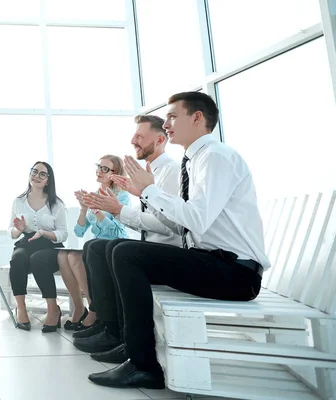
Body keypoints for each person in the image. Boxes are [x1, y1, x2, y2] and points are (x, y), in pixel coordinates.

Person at [87, 92, 270, 390]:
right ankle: (132, 350)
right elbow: (178, 222)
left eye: (173, 116)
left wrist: (150, 192)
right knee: (121, 250)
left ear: (197, 118)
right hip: (214, 262)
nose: (167, 123)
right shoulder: (195, 160)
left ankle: (142, 364)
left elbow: (196, 219)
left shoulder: (216, 157)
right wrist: (143, 193)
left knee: (125, 253)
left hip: (237, 273)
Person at [72, 115, 181, 361]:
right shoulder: (148, 174)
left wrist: (117, 210)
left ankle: (119, 334)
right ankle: (109, 325)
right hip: (150, 246)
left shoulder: (171, 172)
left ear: (161, 139)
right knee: (95, 246)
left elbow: (171, 226)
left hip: (166, 251)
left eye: (140, 136)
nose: (133, 141)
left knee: (112, 249)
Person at [57, 155, 131, 332]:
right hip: (94, 246)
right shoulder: (94, 195)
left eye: (105, 169)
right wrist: (84, 209)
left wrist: (96, 209)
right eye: (99, 167)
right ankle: (85, 306)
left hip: (113, 246)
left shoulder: (122, 197)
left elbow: (116, 232)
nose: (99, 171)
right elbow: (79, 232)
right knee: (63, 255)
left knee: (75, 257)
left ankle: (94, 310)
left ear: (115, 173)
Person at [8, 161, 68, 333]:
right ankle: (21, 308)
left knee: (38, 260)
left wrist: (43, 232)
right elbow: (10, 230)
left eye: (43, 174)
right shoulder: (18, 201)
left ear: (48, 180)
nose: (37, 176)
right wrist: (17, 230)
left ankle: (53, 309)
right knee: (18, 258)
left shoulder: (56, 204)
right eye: (34, 172)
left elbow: (63, 233)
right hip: (26, 242)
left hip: (49, 245)